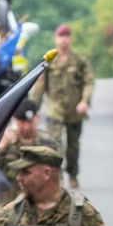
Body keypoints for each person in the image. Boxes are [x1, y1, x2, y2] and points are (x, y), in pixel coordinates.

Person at [40, 24, 96, 182]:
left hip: (74, 111)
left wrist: (85, 101)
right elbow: (40, 87)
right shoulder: (49, 60)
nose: (63, 40)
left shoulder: (79, 60)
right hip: (54, 109)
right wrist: (31, 111)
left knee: (73, 147)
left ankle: (73, 173)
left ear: (70, 39)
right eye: (60, 36)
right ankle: (57, 178)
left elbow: (89, 82)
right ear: (55, 39)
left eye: (66, 36)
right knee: (54, 145)